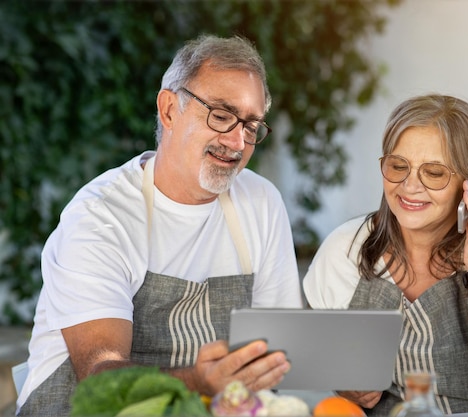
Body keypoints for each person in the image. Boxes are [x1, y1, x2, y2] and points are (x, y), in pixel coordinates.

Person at [17, 34, 303, 416]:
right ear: (169, 110)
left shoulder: (261, 202)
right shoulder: (100, 216)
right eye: (221, 115)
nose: (237, 142)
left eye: (251, 126)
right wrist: (199, 381)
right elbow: (100, 378)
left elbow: (277, 352)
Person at [302, 95, 468, 416]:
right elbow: (322, 357)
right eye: (398, 166)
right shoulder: (347, 248)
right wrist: (344, 380)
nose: (409, 186)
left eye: (433, 172)